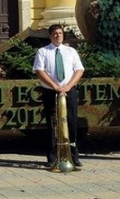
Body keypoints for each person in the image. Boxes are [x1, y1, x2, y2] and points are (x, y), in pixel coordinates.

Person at [32, 24, 84, 168]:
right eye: (55, 33)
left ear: (63, 35)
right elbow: (39, 71)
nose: (58, 35)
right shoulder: (43, 51)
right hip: (50, 91)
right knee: (52, 124)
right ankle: (52, 156)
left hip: (69, 91)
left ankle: (73, 155)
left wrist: (68, 86)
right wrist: (55, 86)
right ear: (50, 36)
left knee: (72, 122)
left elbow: (79, 70)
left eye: (60, 33)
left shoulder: (71, 51)